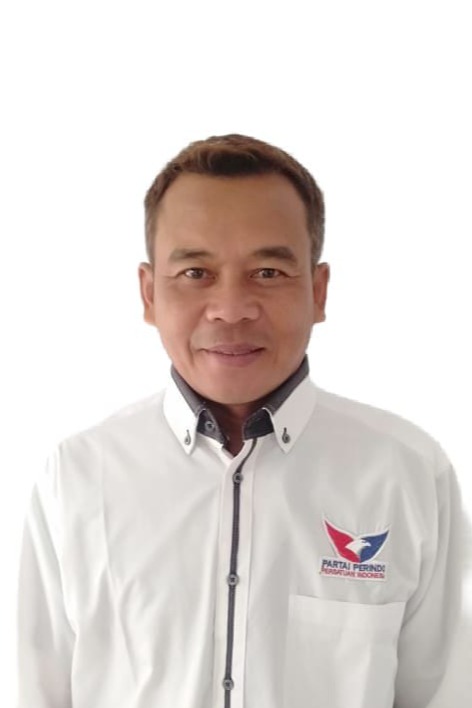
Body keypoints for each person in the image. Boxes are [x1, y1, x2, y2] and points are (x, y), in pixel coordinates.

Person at [16, 133, 463, 708]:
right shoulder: (77, 476)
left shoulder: (406, 473)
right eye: (195, 273)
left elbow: (445, 693)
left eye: (268, 272)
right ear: (149, 294)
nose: (231, 309)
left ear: (318, 291)